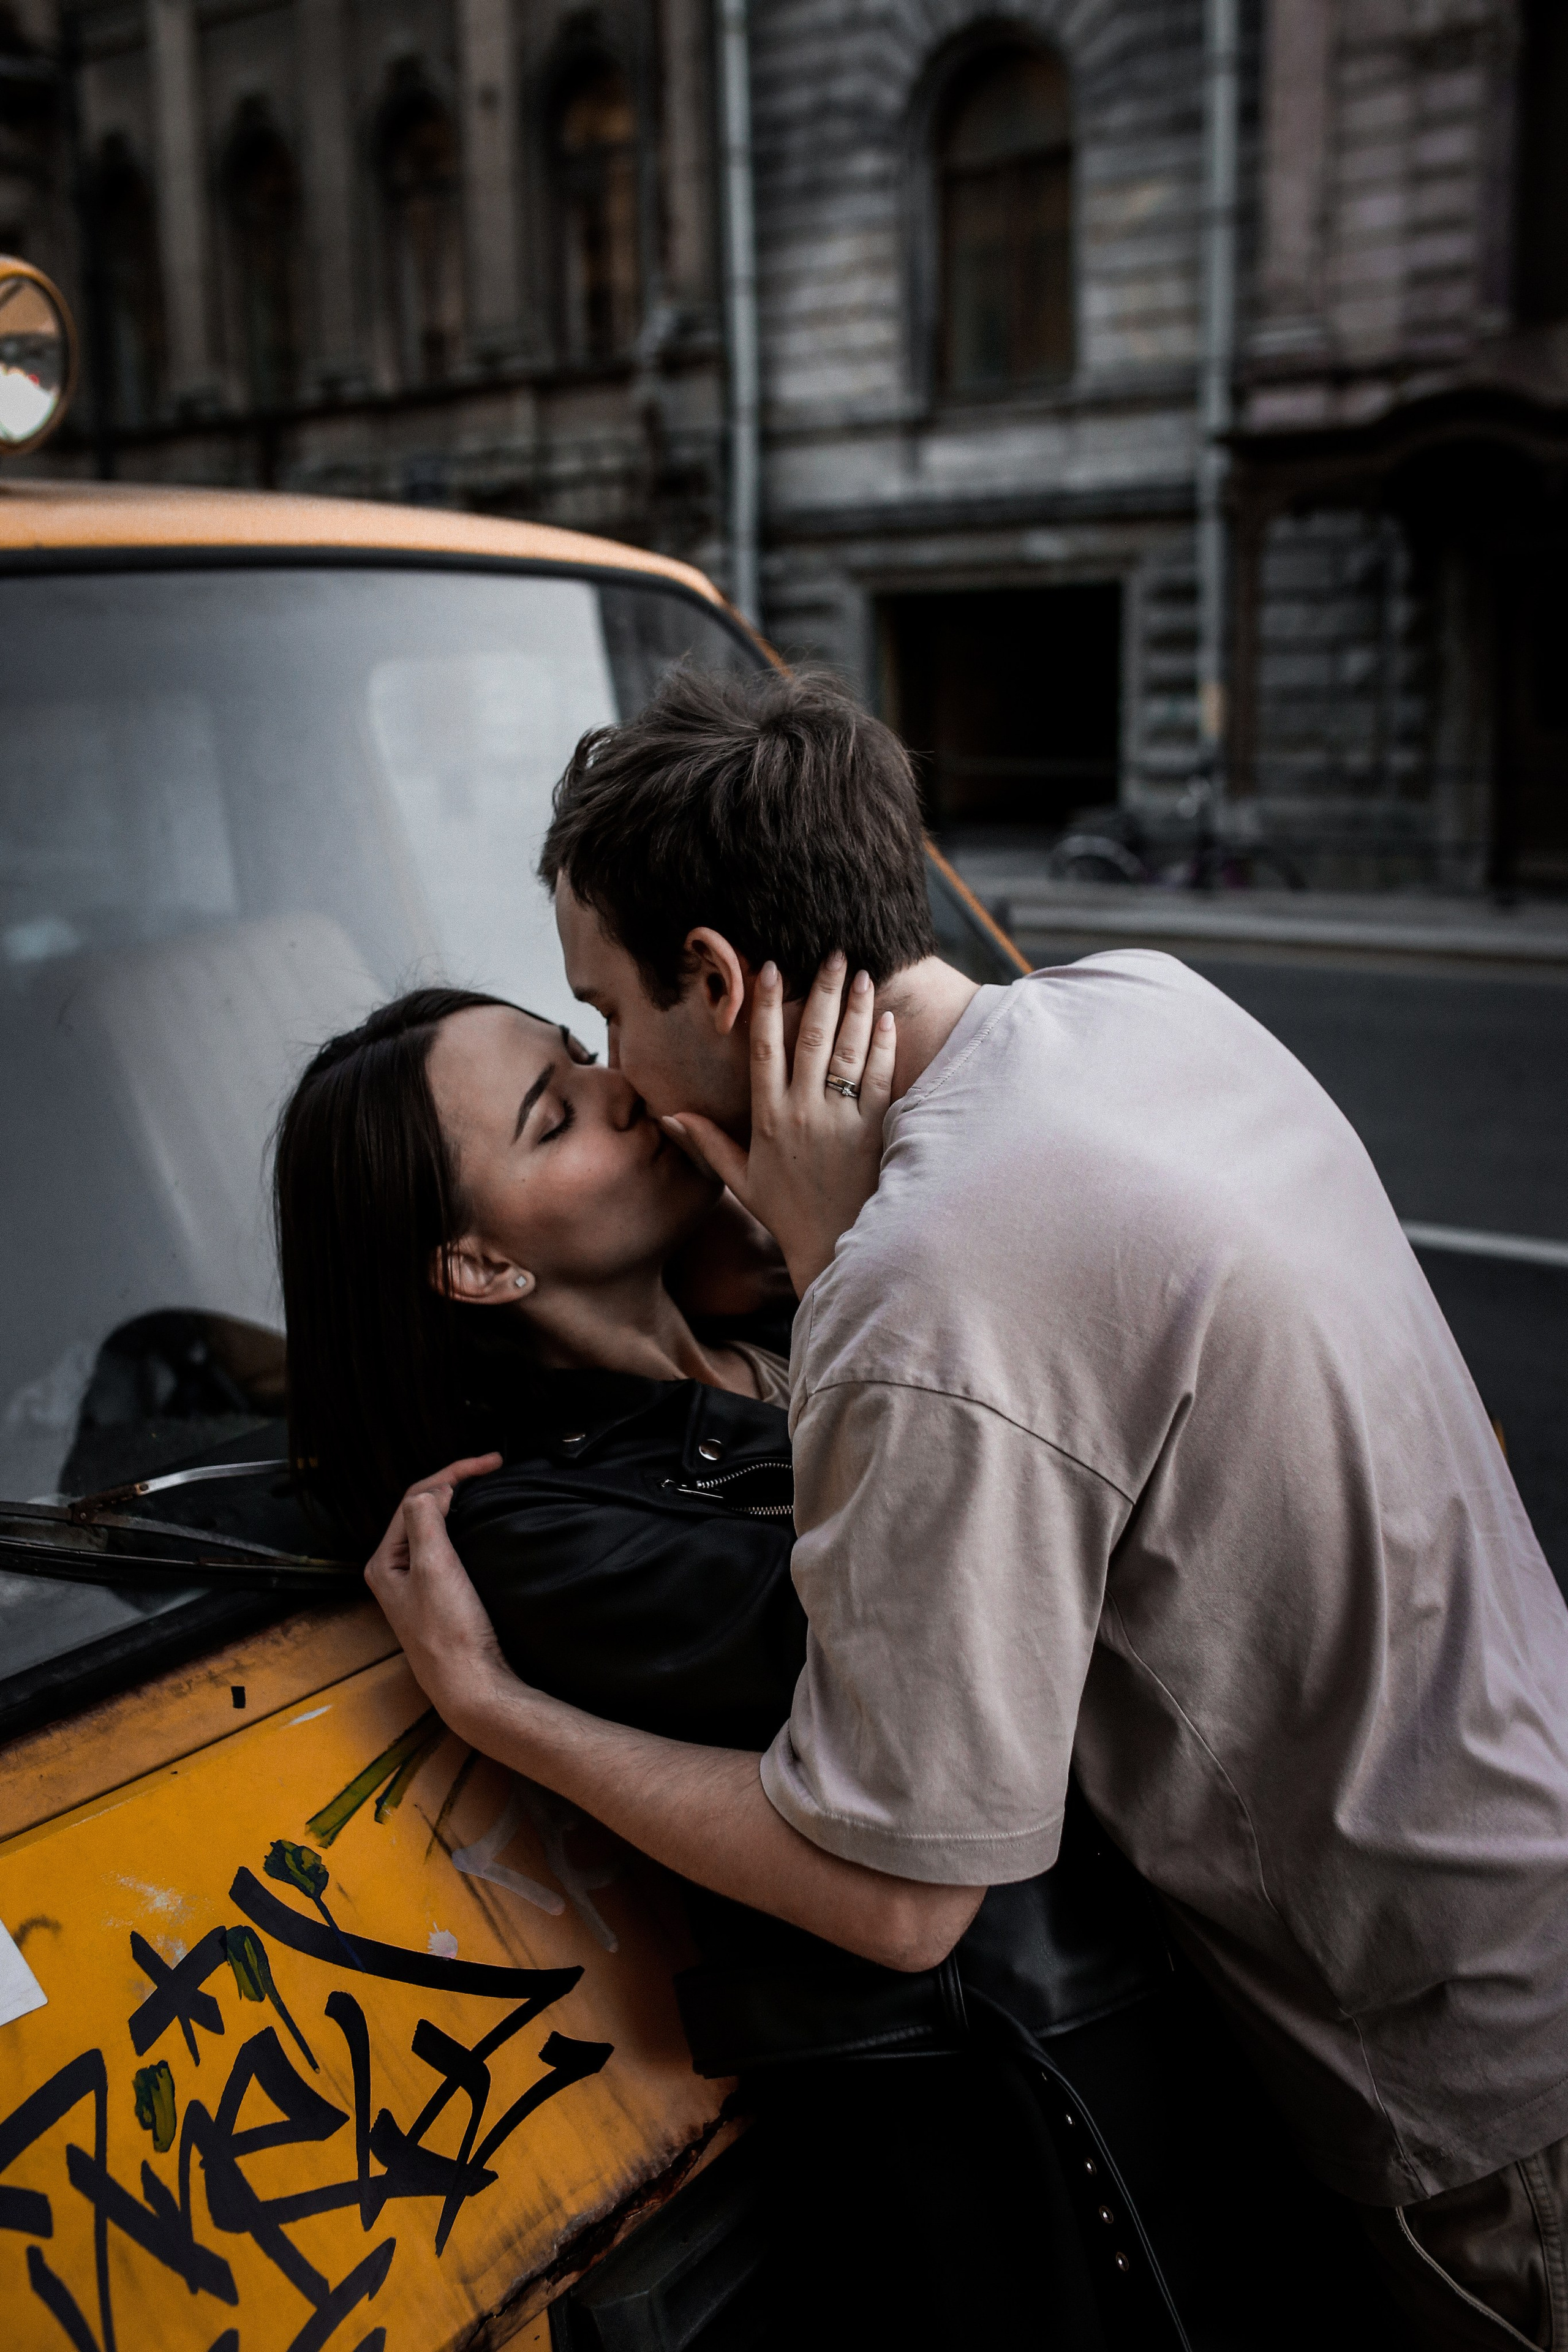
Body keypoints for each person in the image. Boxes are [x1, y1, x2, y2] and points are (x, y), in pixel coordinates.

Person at [366, 669, 1568, 2352]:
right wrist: (843, 1254)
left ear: (715, 979)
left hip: (1480, 2096)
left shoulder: (926, 1291)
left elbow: (895, 1892)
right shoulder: (1150, 1000)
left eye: (604, 1012)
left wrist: (490, 1704)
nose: (624, 1075)